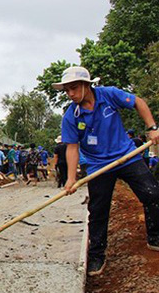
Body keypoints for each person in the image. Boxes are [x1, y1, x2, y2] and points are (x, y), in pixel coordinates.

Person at [53, 66, 159, 277]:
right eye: (67, 91)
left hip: (127, 156)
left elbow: (138, 102)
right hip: (98, 165)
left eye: (74, 88)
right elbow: (72, 148)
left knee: (152, 193)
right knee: (98, 210)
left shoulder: (108, 95)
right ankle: (97, 255)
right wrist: (71, 179)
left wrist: (152, 127)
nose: (70, 94)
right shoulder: (71, 116)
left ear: (86, 85)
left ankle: (155, 237)